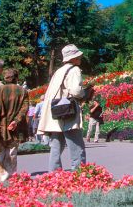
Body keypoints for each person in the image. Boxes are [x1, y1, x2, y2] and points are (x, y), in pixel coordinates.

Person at [38, 44, 87, 172]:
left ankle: (53, 173)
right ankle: (79, 172)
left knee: (56, 144)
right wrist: (84, 93)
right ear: (74, 58)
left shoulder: (58, 71)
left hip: (56, 111)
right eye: (78, 56)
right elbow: (76, 91)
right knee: (76, 144)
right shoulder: (74, 70)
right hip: (68, 111)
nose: (80, 58)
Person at [0, 68, 29, 182]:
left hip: (1, 126)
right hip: (16, 127)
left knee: (0, 152)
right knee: (12, 151)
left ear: (5, 78)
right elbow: (24, 109)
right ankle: (11, 177)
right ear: (16, 78)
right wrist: (16, 121)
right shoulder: (23, 91)